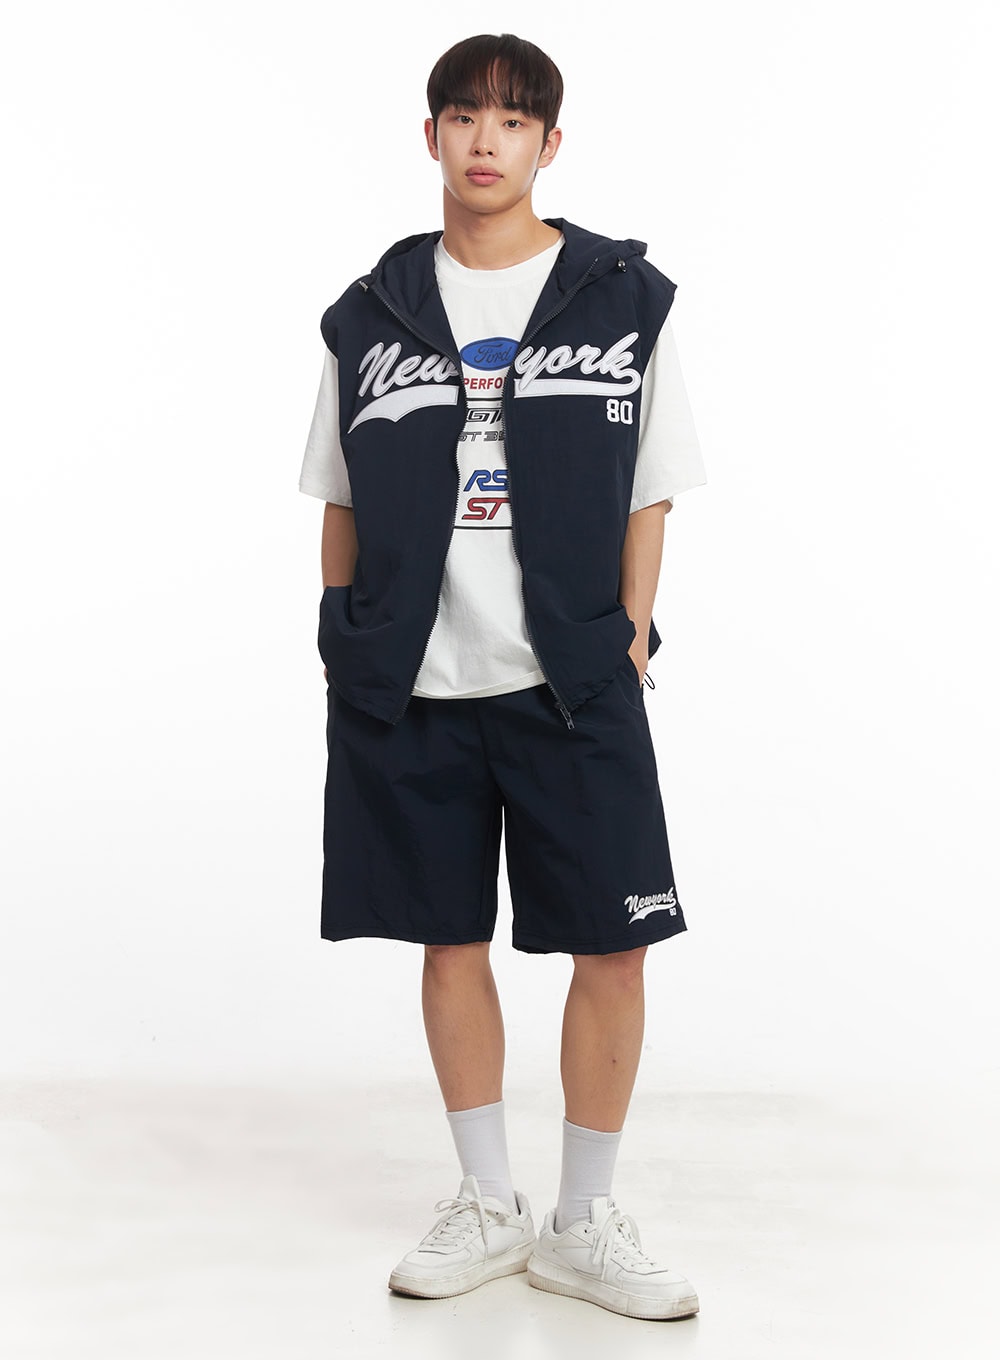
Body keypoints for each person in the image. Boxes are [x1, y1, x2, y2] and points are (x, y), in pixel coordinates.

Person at [298, 32, 707, 1321]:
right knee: (448, 936)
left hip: (572, 679)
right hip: (413, 680)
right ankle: (488, 1203)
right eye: (464, 117)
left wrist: (630, 635)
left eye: (513, 120)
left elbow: (652, 489)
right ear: (430, 136)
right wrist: (346, 630)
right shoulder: (370, 315)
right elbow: (338, 493)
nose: (487, 140)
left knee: (615, 945)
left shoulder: (621, 301)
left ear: (549, 143)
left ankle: (584, 1221)